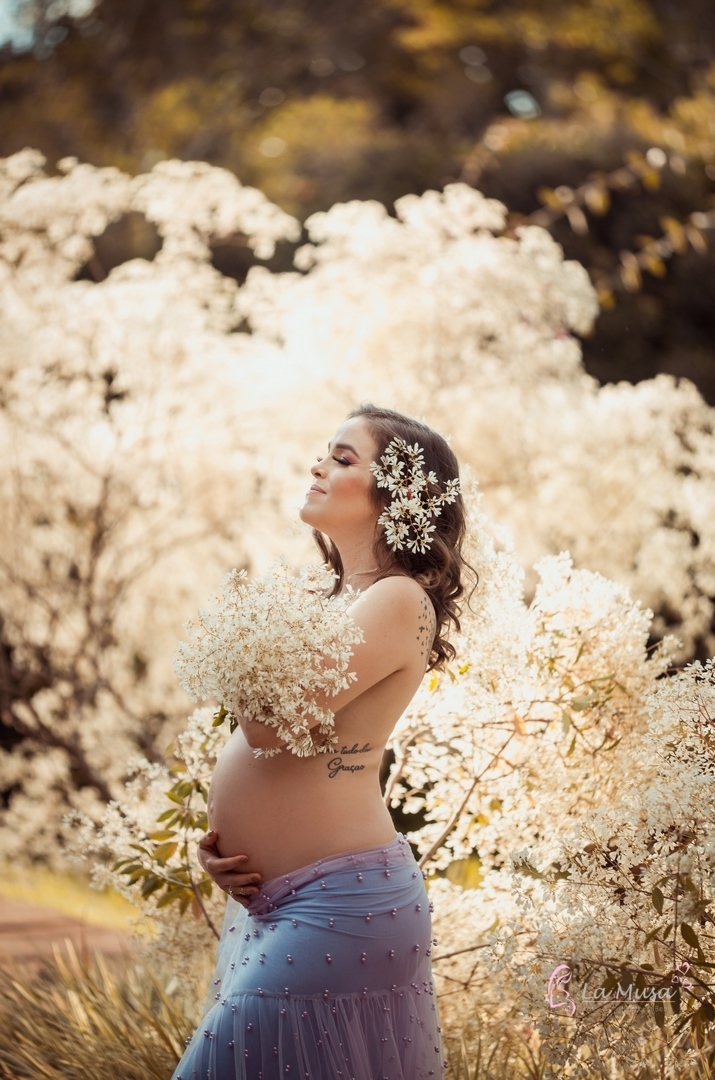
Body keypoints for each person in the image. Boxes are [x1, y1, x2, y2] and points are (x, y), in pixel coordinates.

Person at [172, 403, 476, 1080]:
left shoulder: (398, 599)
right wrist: (231, 842)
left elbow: (270, 726)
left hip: (340, 911)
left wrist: (235, 652)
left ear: (395, 495)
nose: (318, 465)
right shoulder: (332, 596)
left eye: (343, 458)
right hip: (277, 902)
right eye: (323, 452)